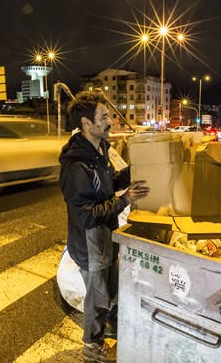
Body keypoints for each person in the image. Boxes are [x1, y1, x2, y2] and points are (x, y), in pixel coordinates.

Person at [59, 91, 150, 363]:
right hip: (89, 240)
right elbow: (85, 216)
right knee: (98, 298)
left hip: (105, 234)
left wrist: (139, 168)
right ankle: (92, 346)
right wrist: (124, 200)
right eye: (104, 117)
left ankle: (102, 323)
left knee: (109, 288)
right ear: (87, 123)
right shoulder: (77, 166)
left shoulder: (102, 150)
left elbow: (112, 180)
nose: (110, 121)